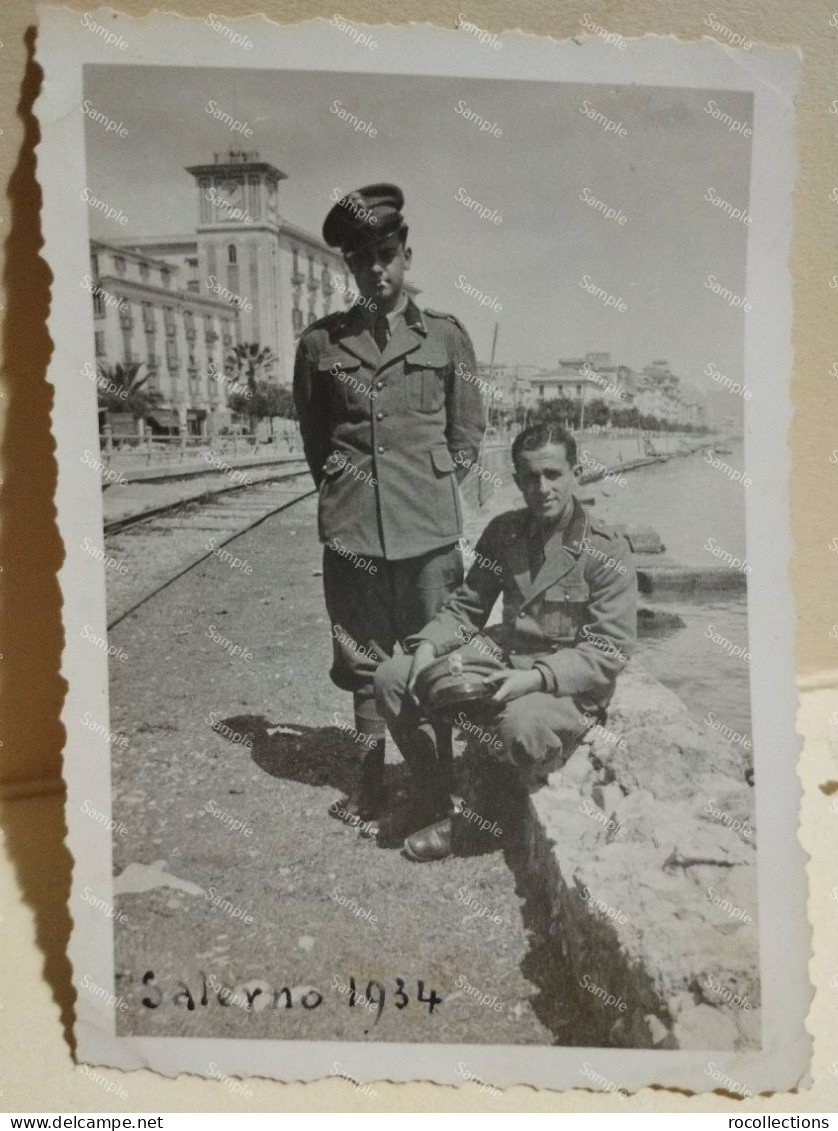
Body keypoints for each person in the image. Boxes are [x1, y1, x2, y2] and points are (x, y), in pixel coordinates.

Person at [293, 183, 485, 829]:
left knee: (434, 655)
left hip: (428, 529)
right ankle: (369, 785)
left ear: (406, 253)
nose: (376, 268)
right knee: (363, 659)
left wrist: (422, 491)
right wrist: (355, 494)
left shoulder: (450, 338)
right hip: (352, 528)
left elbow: (466, 436)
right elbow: (317, 442)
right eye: (361, 258)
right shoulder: (321, 345)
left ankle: (440, 783)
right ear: (346, 265)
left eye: (386, 253)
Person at [374, 423, 637, 861]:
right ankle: (433, 796)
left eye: (554, 474)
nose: (543, 488)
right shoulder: (504, 531)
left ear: (577, 472)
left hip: (563, 684)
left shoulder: (608, 549)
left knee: (521, 729)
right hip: (503, 659)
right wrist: (428, 647)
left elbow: (609, 649)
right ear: (516, 480)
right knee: (392, 678)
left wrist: (534, 680)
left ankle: (481, 824)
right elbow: (468, 607)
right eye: (530, 477)